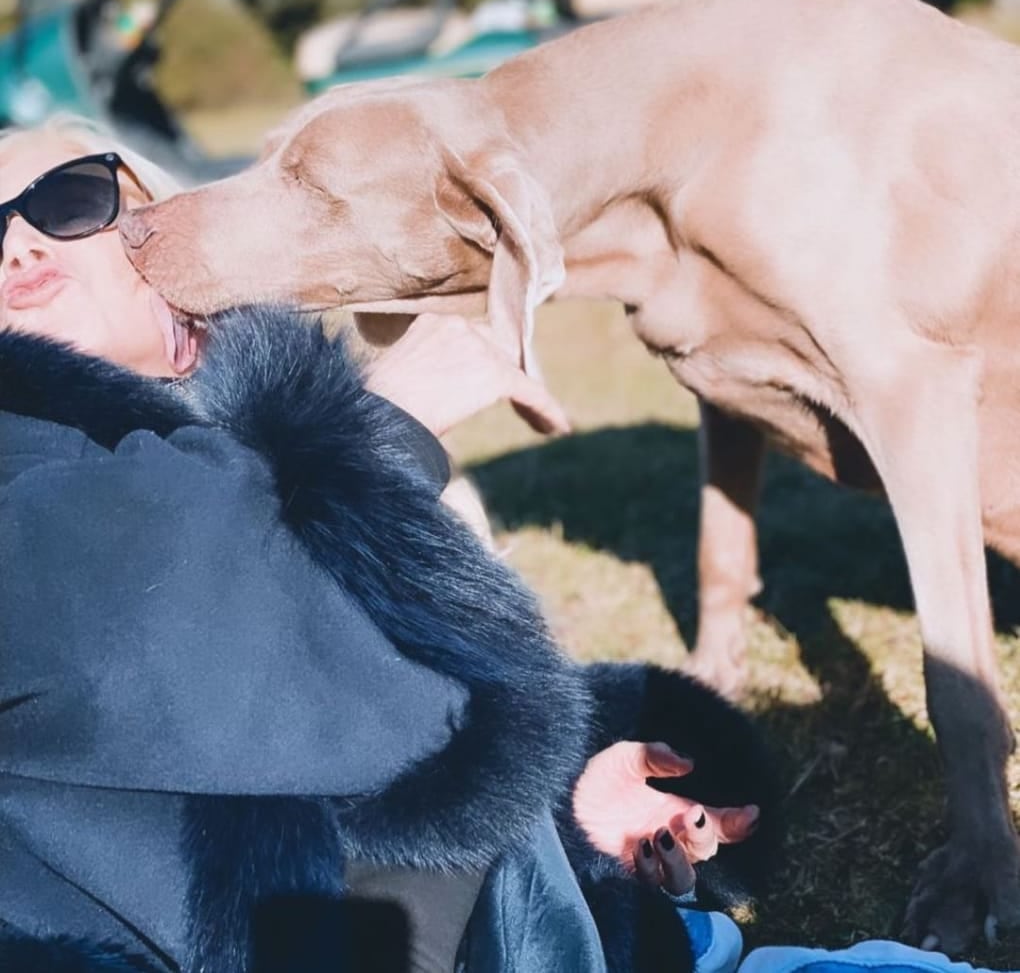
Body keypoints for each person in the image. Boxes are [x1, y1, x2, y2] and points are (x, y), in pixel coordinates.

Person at [0, 119, 772, 973]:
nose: (21, 246)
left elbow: (350, 731)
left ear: (164, 234)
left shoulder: (255, 446)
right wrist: (370, 432)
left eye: (69, 201)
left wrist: (571, 815)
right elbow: (130, 616)